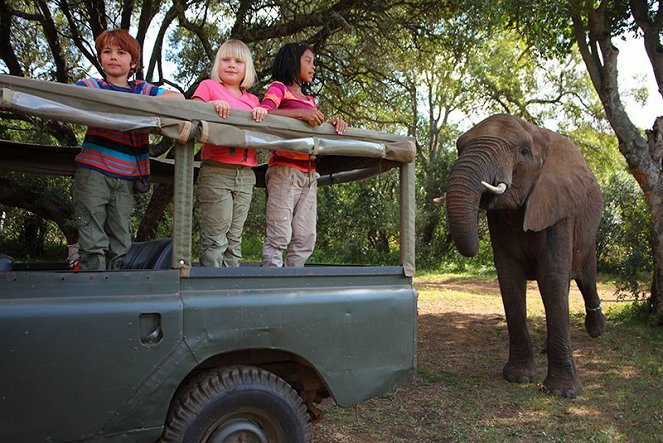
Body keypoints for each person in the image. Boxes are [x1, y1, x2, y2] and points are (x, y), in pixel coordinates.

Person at [73, 29, 184, 271]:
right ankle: (91, 288)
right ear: (100, 58)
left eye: (120, 52)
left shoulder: (140, 89)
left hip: (125, 178)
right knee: (92, 237)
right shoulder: (95, 85)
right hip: (94, 171)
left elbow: (177, 98)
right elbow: (72, 94)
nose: (113, 57)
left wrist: (141, 107)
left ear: (132, 62)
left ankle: (115, 291)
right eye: (107, 52)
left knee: (121, 238)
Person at [260, 42, 347, 267]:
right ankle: (272, 286)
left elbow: (313, 128)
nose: (313, 66)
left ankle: (292, 283)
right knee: (279, 234)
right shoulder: (278, 88)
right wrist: (299, 114)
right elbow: (265, 114)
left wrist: (332, 124)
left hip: (309, 173)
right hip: (284, 170)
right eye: (308, 61)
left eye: (314, 62)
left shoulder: (310, 100)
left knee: (306, 236)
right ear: (292, 62)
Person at [192, 40, 267, 267]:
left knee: (235, 239)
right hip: (217, 170)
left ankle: (231, 290)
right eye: (226, 59)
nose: (231, 65)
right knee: (216, 238)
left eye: (238, 61)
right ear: (217, 64)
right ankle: (210, 291)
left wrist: (262, 112)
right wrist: (212, 107)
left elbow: (263, 127)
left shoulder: (252, 100)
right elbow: (192, 114)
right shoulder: (209, 87)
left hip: (246, 174)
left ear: (247, 68)